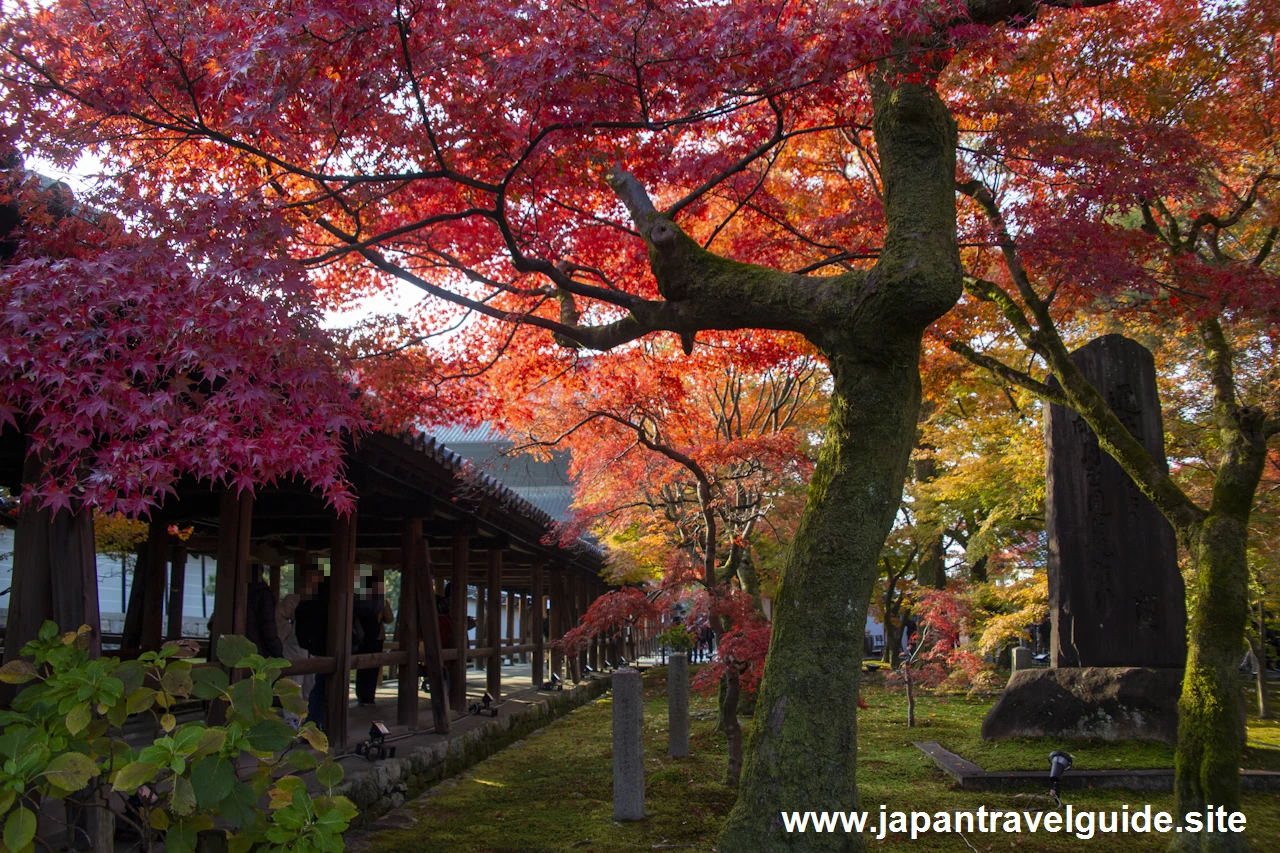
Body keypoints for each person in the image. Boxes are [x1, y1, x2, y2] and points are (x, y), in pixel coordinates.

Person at [276, 569, 316, 729]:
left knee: (311, 683)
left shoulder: (325, 597)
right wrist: (290, 632)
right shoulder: (295, 597)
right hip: (296, 645)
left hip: (314, 645)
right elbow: (278, 616)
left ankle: (308, 716)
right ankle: (292, 719)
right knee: (294, 683)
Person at [294, 570, 330, 730]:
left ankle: (313, 723)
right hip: (327, 648)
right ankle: (313, 724)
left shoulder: (309, 602)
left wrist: (307, 644)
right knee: (319, 686)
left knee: (317, 685)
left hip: (315, 647)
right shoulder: (330, 602)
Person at [353, 575, 394, 706]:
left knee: (360, 665)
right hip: (376, 636)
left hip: (359, 636)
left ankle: (359, 693)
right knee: (373, 667)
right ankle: (368, 697)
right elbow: (390, 618)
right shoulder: (380, 601)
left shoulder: (356, 599)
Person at [245, 565, 283, 659]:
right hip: (258, 652)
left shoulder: (238, 589)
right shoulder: (263, 593)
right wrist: (278, 653)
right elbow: (268, 627)